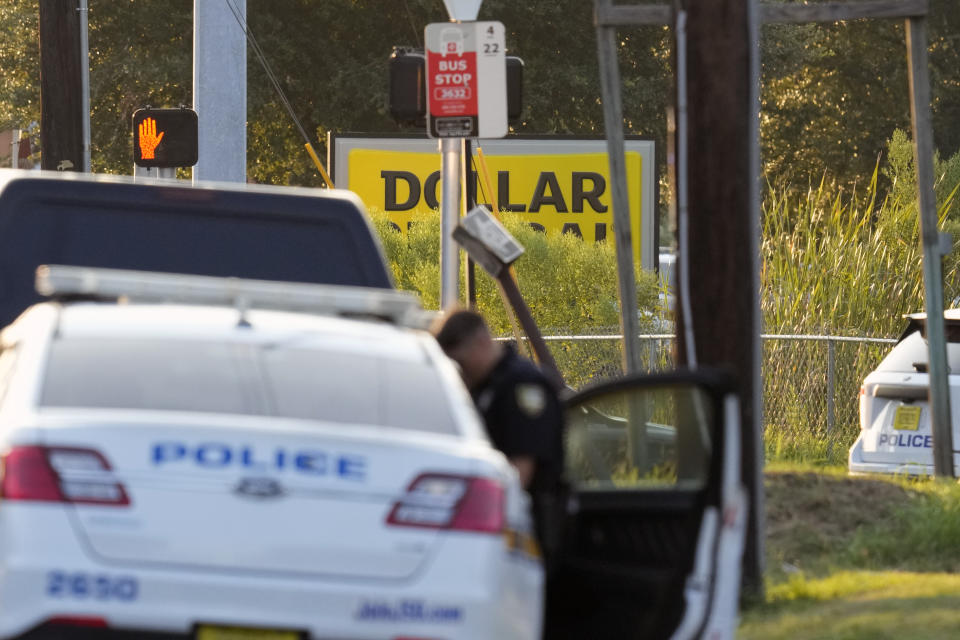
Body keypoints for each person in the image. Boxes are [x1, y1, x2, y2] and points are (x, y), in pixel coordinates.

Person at [432, 309, 564, 555]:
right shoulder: (487, 385)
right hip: (495, 517)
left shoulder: (521, 385)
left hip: (522, 523)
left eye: (461, 362)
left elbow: (521, 471)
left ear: (481, 342)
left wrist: (482, 515)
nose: (459, 371)